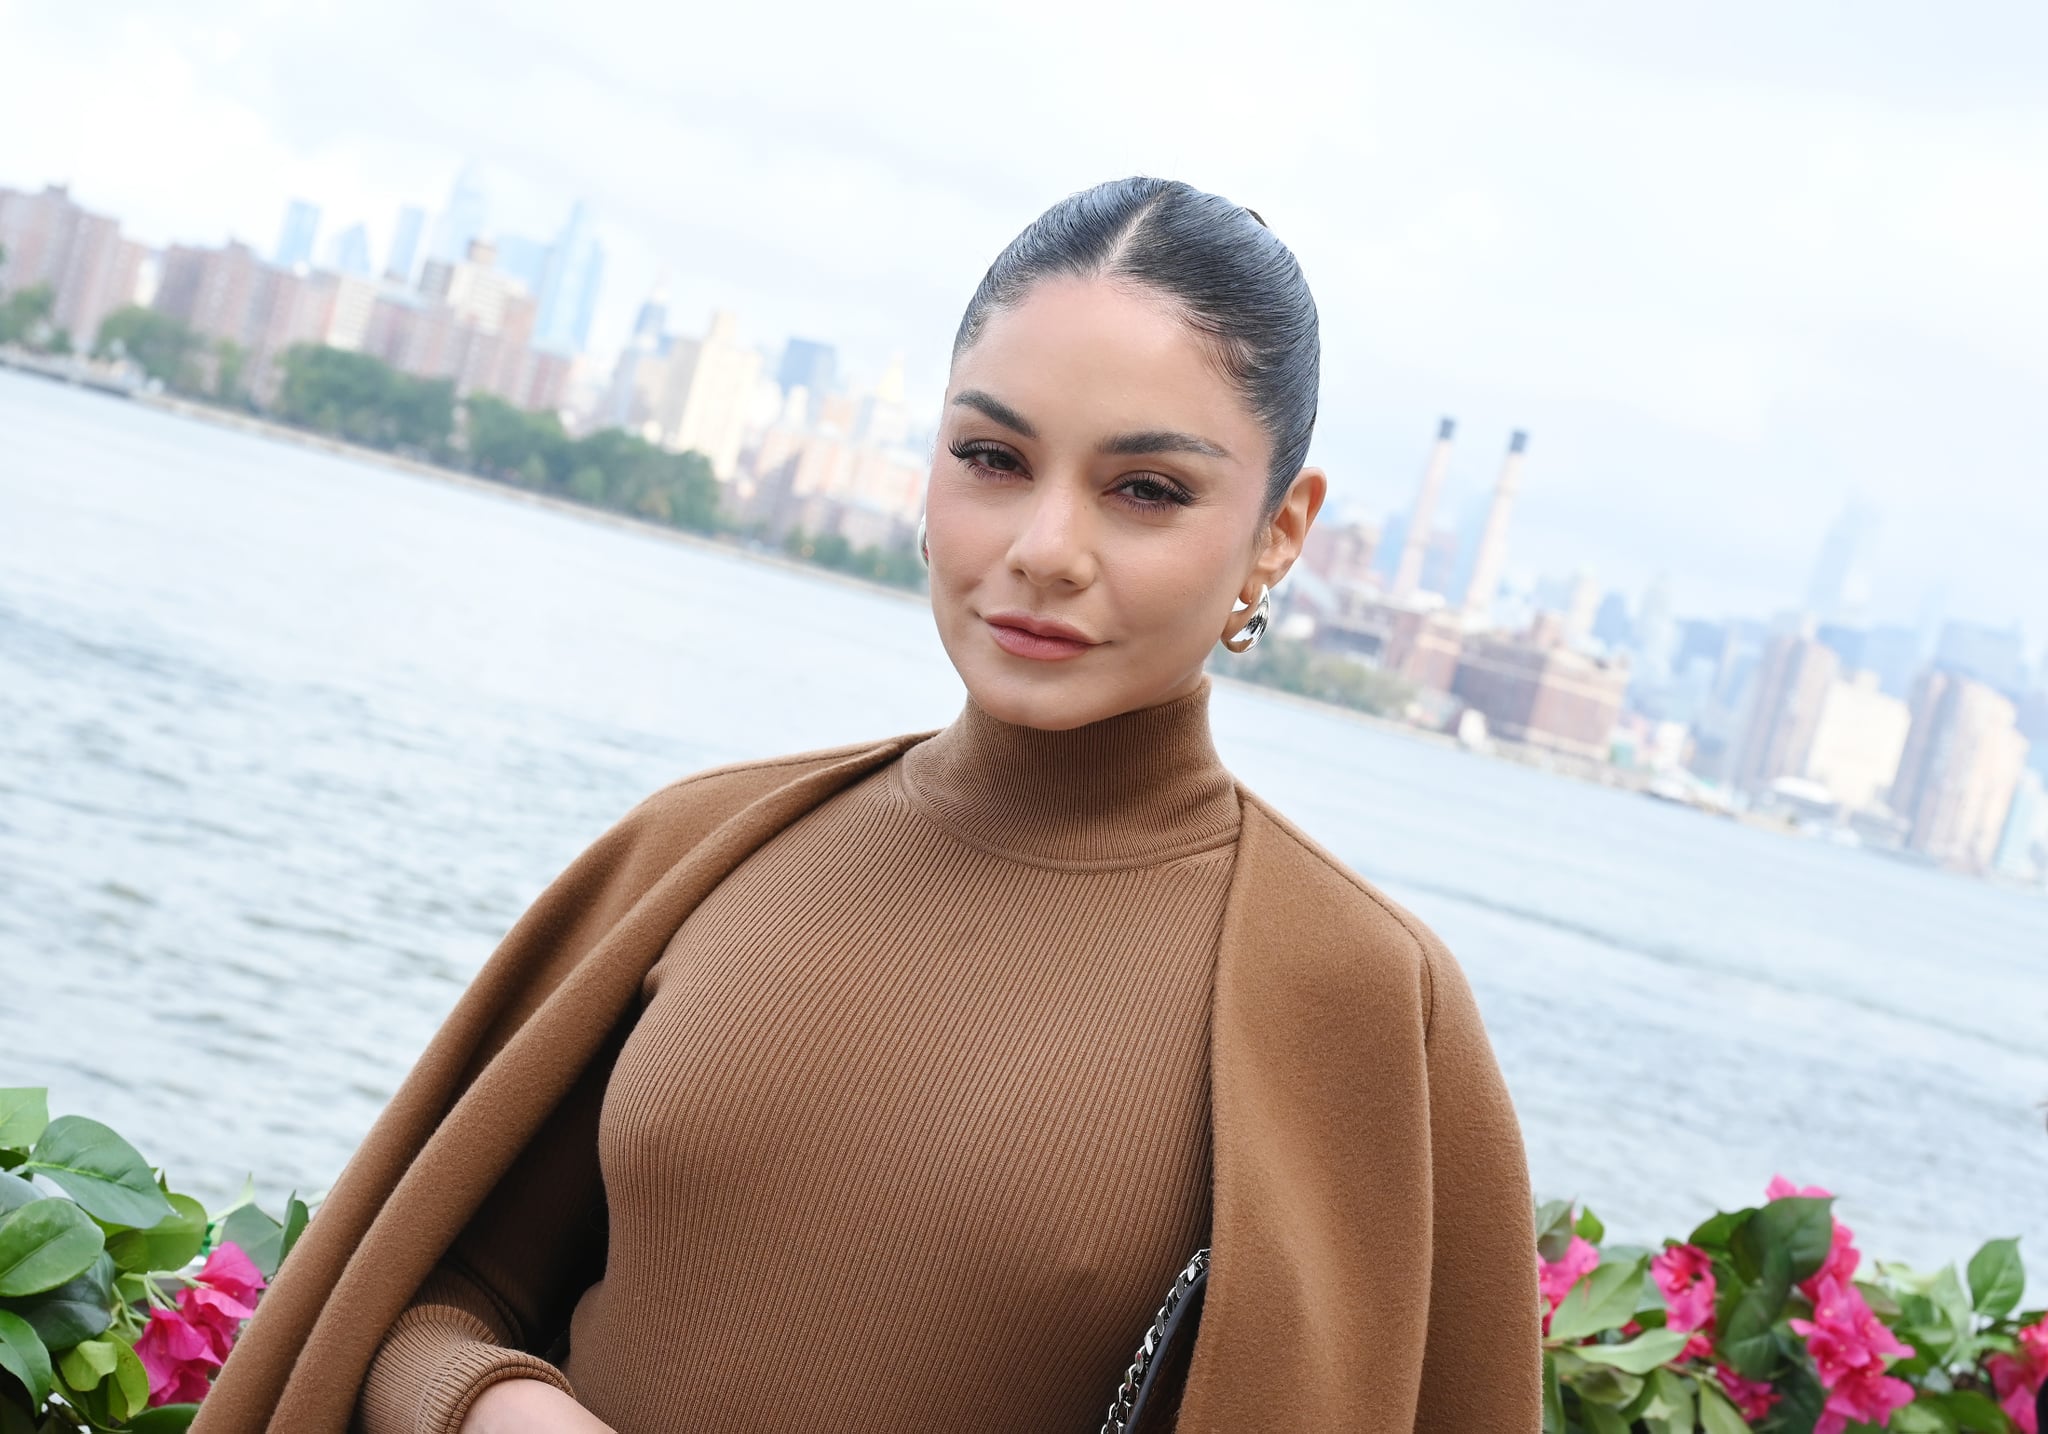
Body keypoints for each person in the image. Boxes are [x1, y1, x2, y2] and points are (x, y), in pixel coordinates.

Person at [195, 177, 1541, 1434]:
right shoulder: (703, 851)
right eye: (993, 457)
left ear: (1279, 531)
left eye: (1146, 489)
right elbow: (415, 1298)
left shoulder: (1364, 1004)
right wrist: (502, 1404)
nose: (1043, 549)